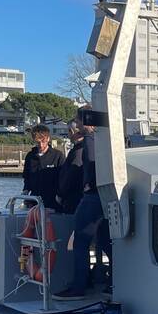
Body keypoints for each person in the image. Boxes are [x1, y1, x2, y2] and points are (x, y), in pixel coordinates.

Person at [55, 123, 111, 299]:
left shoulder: (88, 141)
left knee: (80, 241)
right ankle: (115, 281)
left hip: (92, 196)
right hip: (106, 194)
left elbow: (91, 162)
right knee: (105, 240)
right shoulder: (104, 138)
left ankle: (79, 286)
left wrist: (89, 184)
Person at [22, 124, 64, 208]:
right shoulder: (30, 156)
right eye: (38, 142)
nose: (41, 145)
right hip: (34, 200)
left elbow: (63, 178)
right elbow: (27, 177)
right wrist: (25, 191)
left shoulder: (58, 155)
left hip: (53, 201)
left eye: (43, 142)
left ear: (48, 139)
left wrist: (60, 195)